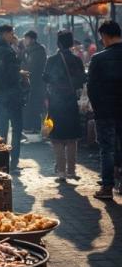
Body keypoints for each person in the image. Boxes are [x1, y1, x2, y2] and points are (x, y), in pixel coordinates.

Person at [43, 30, 86, 182]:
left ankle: (61, 172)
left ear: (58, 43)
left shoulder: (52, 59)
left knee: (57, 138)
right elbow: (82, 80)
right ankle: (72, 171)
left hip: (56, 101)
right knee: (72, 138)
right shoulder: (77, 59)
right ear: (71, 43)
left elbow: (45, 78)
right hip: (70, 101)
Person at [87, 20, 122, 200]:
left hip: (105, 112)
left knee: (107, 149)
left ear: (105, 36)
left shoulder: (98, 59)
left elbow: (92, 88)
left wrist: (97, 109)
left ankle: (107, 187)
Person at [0, 25, 26, 173]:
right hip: (12, 97)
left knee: (1, 131)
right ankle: (13, 162)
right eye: (12, 33)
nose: (14, 36)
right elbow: (11, 74)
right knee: (16, 130)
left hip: (0, 96)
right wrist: (20, 73)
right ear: (5, 34)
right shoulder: (8, 52)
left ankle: (2, 162)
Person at [22, 30, 47, 133]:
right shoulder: (29, 50)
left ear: (32, 39)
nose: (25, 41)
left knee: (35, 107)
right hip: (31, 83)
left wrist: (23, 69)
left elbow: (32, 68)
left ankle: (35, 130)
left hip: (36, 84)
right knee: (31, 107)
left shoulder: (38, 51)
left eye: (26, 39)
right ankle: (32, 129)